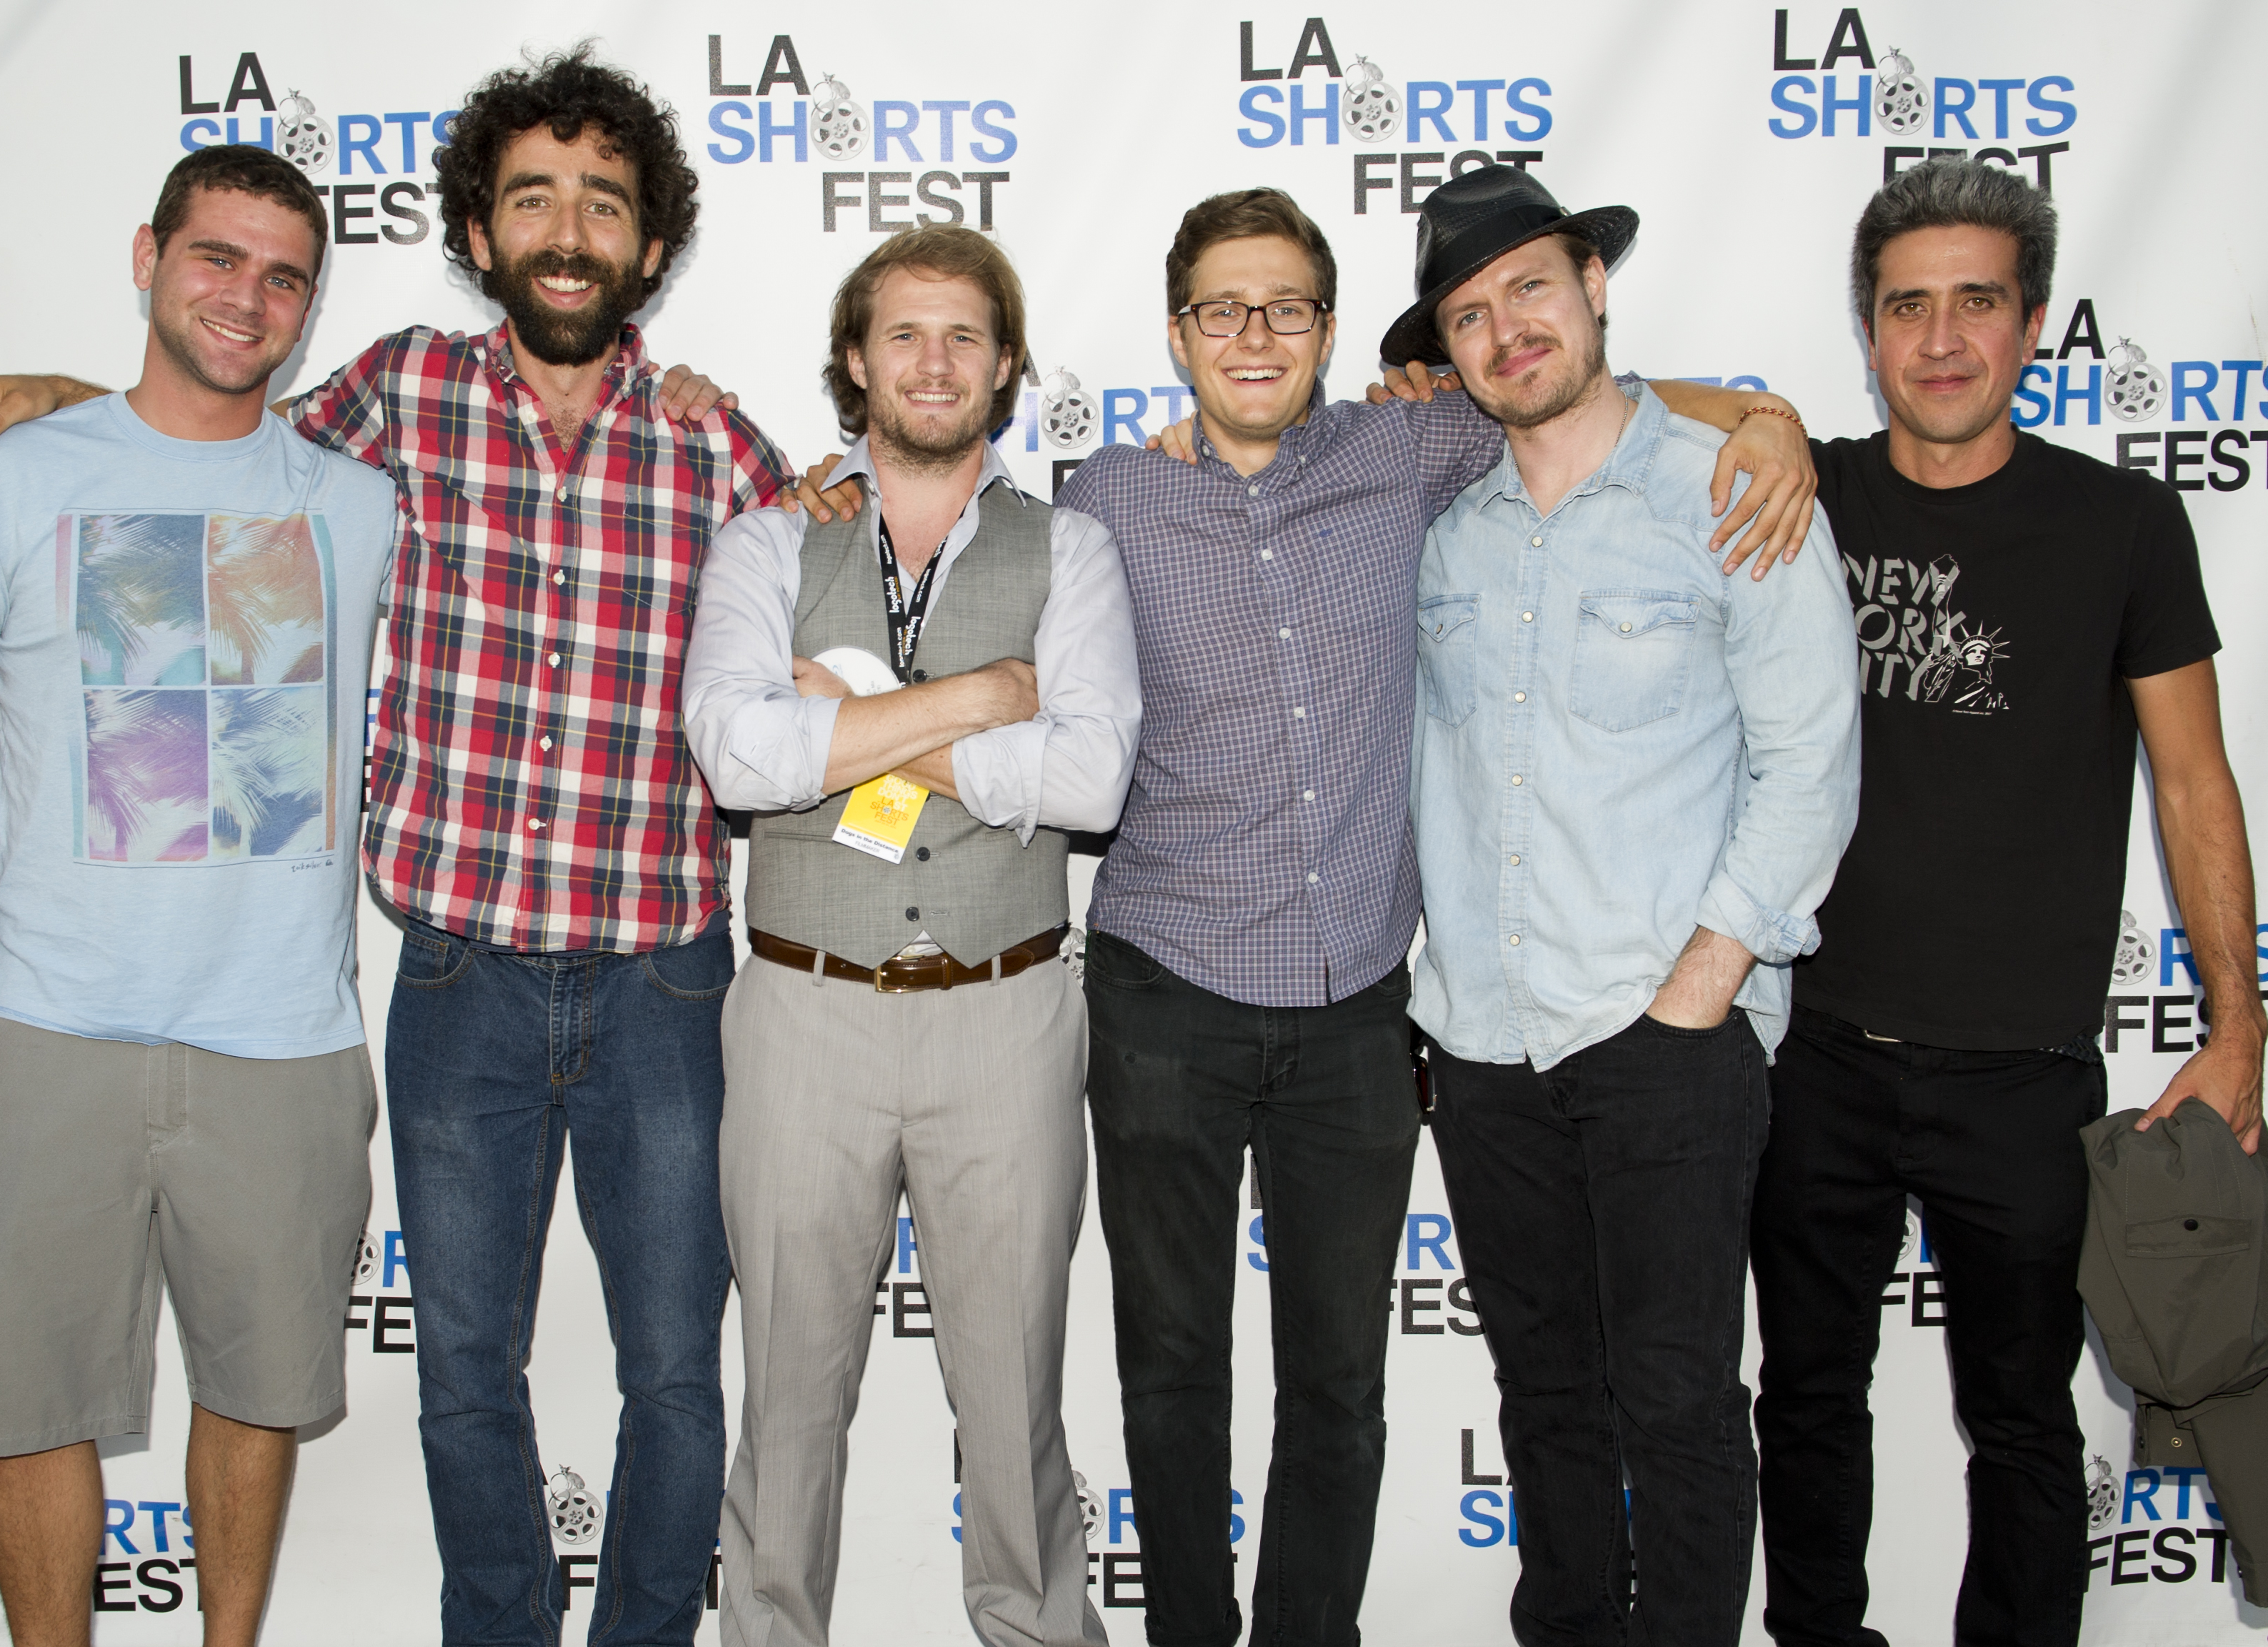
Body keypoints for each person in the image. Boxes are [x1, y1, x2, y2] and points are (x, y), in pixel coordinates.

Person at [0, 47, 789, 1646]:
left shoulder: (723, 455)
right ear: (478, 229)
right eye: (532, 195)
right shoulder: (392, 398)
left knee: (676, 1366)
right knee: (466, 1370)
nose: (566, 228)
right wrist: (45, 396)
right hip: (455, 975)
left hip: (668, 985)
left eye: (603, 204)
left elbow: (819, 644)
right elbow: (196, 434)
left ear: (647, 248)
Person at [1026, 184, 1823, 1647]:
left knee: (1342, 1384)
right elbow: (961, 572)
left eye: (1286, 306)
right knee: (1170, 1368)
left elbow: (1600, 397)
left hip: (1356, 1016)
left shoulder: (1417, 447)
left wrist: (1765, 419)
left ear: (1332, 332)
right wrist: (833, 499)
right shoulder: (1102, 500)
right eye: (1222, 307)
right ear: (1176, 331)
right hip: (1164, 995)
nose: (1254, 333)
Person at [0, 144, 397, 1647]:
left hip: (283, 1033)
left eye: (283, 274)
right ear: (148, 256)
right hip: (49, 1023)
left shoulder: (361, 502)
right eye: (215, 257)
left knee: (258, 1386)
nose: (246, 296)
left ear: (310, 305)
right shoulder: (12, 476)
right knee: (33, 1394)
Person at [1749, 158, 2263, 1647]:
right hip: (1816, 1053)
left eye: (1977, 300)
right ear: (1868, 333)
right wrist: (1767, 420)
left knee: (2026, 1424)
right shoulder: (1811, 491)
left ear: (2031, 325)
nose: (1941, 337)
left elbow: (2193, 785)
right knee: (1803, 1397)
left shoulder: (2120, 527)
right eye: (1906, 306)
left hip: (2027, 1069)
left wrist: (2237, 1035)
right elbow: (1630, 401)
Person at [1396, 164, 1860, 1646]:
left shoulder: (1725, 486)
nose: (1506, 329)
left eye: (1531, 286)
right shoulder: (1443, 525)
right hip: (1481, 1044)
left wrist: (1704, 981)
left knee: (1675, 1404)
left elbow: (1811, 756)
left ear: (1594, 285)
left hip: (1665, 1027)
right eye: (1469, 314)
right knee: (1546, 1400)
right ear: (1447, 352)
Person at [681, 223, 1137, 1647]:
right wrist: (984, 694)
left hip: (1006, 1014)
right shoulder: (768, 537)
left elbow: (1088, 780)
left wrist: (849, 723)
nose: (931, 363)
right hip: (805, 1010)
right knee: (789, 1398)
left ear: (1005, 368)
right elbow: (737, 762)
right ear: (852, 361)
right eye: (901, 335)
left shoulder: (1074, 548)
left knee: (1013, 1404)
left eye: (962, 337)